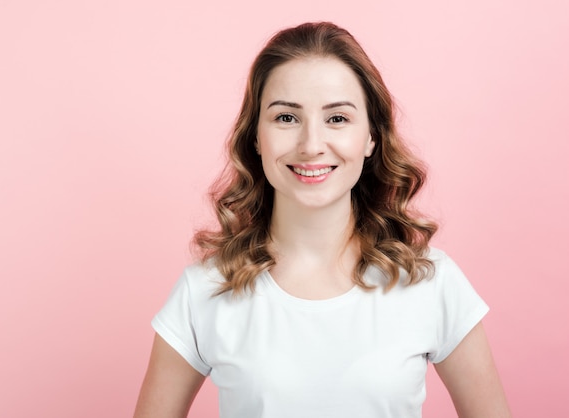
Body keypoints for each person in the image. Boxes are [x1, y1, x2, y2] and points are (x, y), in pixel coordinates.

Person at [134, 22, 511, 418]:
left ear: (370, 137)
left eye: (337, 119)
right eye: (286, 118)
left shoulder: (431, 281)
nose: (312, 145)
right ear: (256, 138)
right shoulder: (205, 290)